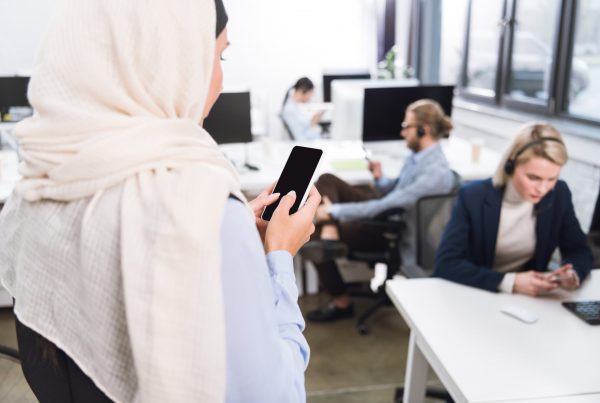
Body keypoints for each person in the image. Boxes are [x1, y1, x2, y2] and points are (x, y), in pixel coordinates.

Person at [0, 1, 320, 402]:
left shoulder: (30, 190)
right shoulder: (204, 209)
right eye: (219, 56)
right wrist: (277, 256)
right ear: (172, 61)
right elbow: (277, 395)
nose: (220, 80)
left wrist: (234, 245)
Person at [304, 99, 456, 322]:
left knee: (311, 235)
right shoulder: (420, 158)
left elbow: (388, 205)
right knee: (327, 179)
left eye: (407, 126)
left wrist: (335, 211)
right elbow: (397, 191)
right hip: (388, 212)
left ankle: (341, 301)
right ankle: (330, 230)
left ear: (425, 129)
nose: (402, 132)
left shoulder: (436, 173)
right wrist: (380, 178)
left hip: (392, 230)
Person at [433, 123, 592, 295]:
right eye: (533, 178)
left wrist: (572, 273)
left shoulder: (559, 194)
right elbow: (446, 264)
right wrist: (510, 282)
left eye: (551, 178)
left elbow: (579, 251)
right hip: (476, 293)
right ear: (510, 166)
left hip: (527, 302)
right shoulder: (473, 197)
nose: (543, 189)